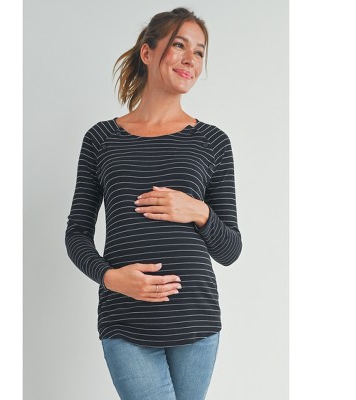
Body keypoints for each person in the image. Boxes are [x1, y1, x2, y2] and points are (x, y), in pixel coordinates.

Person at [65, 7, 242, 400]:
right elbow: (76, 234)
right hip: (125, 319)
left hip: (196, 321)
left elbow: (230, 250)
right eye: (179, 45)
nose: (191, 59)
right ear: (147, 52)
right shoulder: (101, 139)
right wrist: (111, 278)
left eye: (199, 52)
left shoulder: (213, 142)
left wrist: (198, 211)